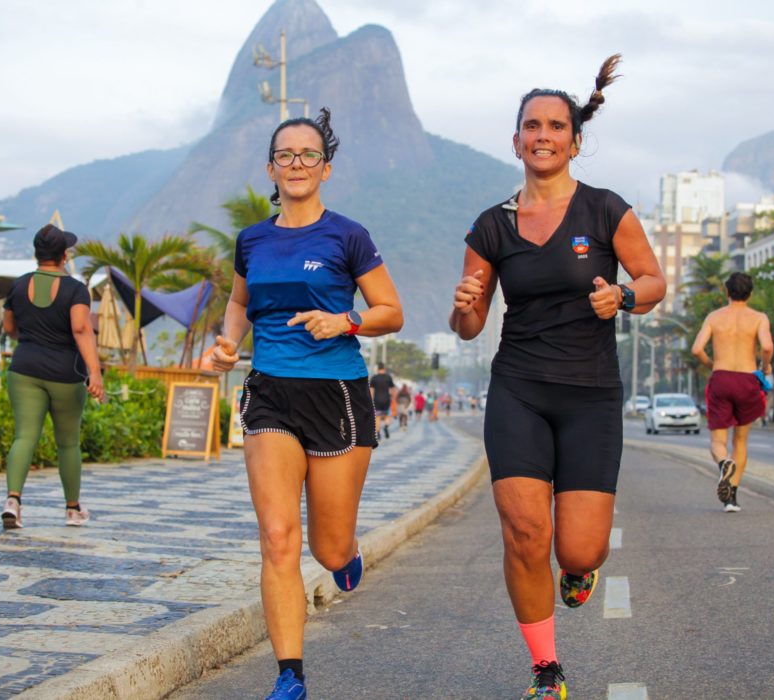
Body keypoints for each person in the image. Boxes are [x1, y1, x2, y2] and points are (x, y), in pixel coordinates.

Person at [449, 54, 665, 699]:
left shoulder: (605, 210)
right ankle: (547, 671)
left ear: (575, 138)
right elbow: (469, 323)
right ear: (515, 140)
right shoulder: (492, 225)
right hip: (519, 387)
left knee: (577, 550)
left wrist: (623, 298)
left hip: (591, 394)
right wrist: (463, 310)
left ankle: (579, 573)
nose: (543, 136)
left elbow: (654, 280)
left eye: (555, 126)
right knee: (523, 532)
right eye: (531, 126)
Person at [210, 108, 403, 700]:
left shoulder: (348, 235)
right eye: (286, 156)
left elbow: (390, 311)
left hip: (338, 396)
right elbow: (241, 303)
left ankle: (346, 556)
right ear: (272, 168)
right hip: (269, 391)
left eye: (308, 156)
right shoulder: (252, 240)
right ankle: (289, 675)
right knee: (277, 536)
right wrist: (227, 343)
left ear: (326, 168)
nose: (297, 164)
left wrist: (343, 320)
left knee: (327, 546)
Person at [0, 224, 104, 529]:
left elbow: (9, 328)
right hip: (65, 374)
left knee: (24, 436)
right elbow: (81, 329)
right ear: (63, 255)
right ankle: (72, 509)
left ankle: (13, 500)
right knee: (68, 443)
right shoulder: (75, 289)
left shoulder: (18, 286)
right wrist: (95, 373)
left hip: (24, 369)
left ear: (36, 253)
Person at [691, 272, 774, 513]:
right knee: (740, 439)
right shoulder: (759, 318)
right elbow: (767, 346)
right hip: (747, 379)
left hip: (721, 378)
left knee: (718, 441)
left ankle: (723, 464)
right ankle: (731, 499)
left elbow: (697, 349)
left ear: (726, 292)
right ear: (751, 293)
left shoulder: (714, 317)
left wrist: (711, 364)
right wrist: (764, 367)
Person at [369, 362, 396, 439]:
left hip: (377, 400)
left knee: (377, 417)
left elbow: (371, 391)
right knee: (387, 416)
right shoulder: (388, 377)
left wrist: (370, 400)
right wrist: (393, 398)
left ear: (378, 369)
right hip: (386, 400)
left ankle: (378, 433)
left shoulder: (374, 378)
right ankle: (386, 426)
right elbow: (393, 389)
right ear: (384, 369)